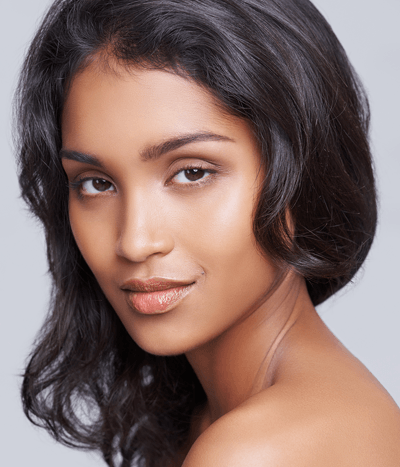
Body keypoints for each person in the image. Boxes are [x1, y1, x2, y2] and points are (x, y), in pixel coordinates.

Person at [14, 0, 400, 466]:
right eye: (97, 184)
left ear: (301, 175)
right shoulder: (224, 417)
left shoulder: (258, 449)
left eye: (192, 173)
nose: (135, 241)